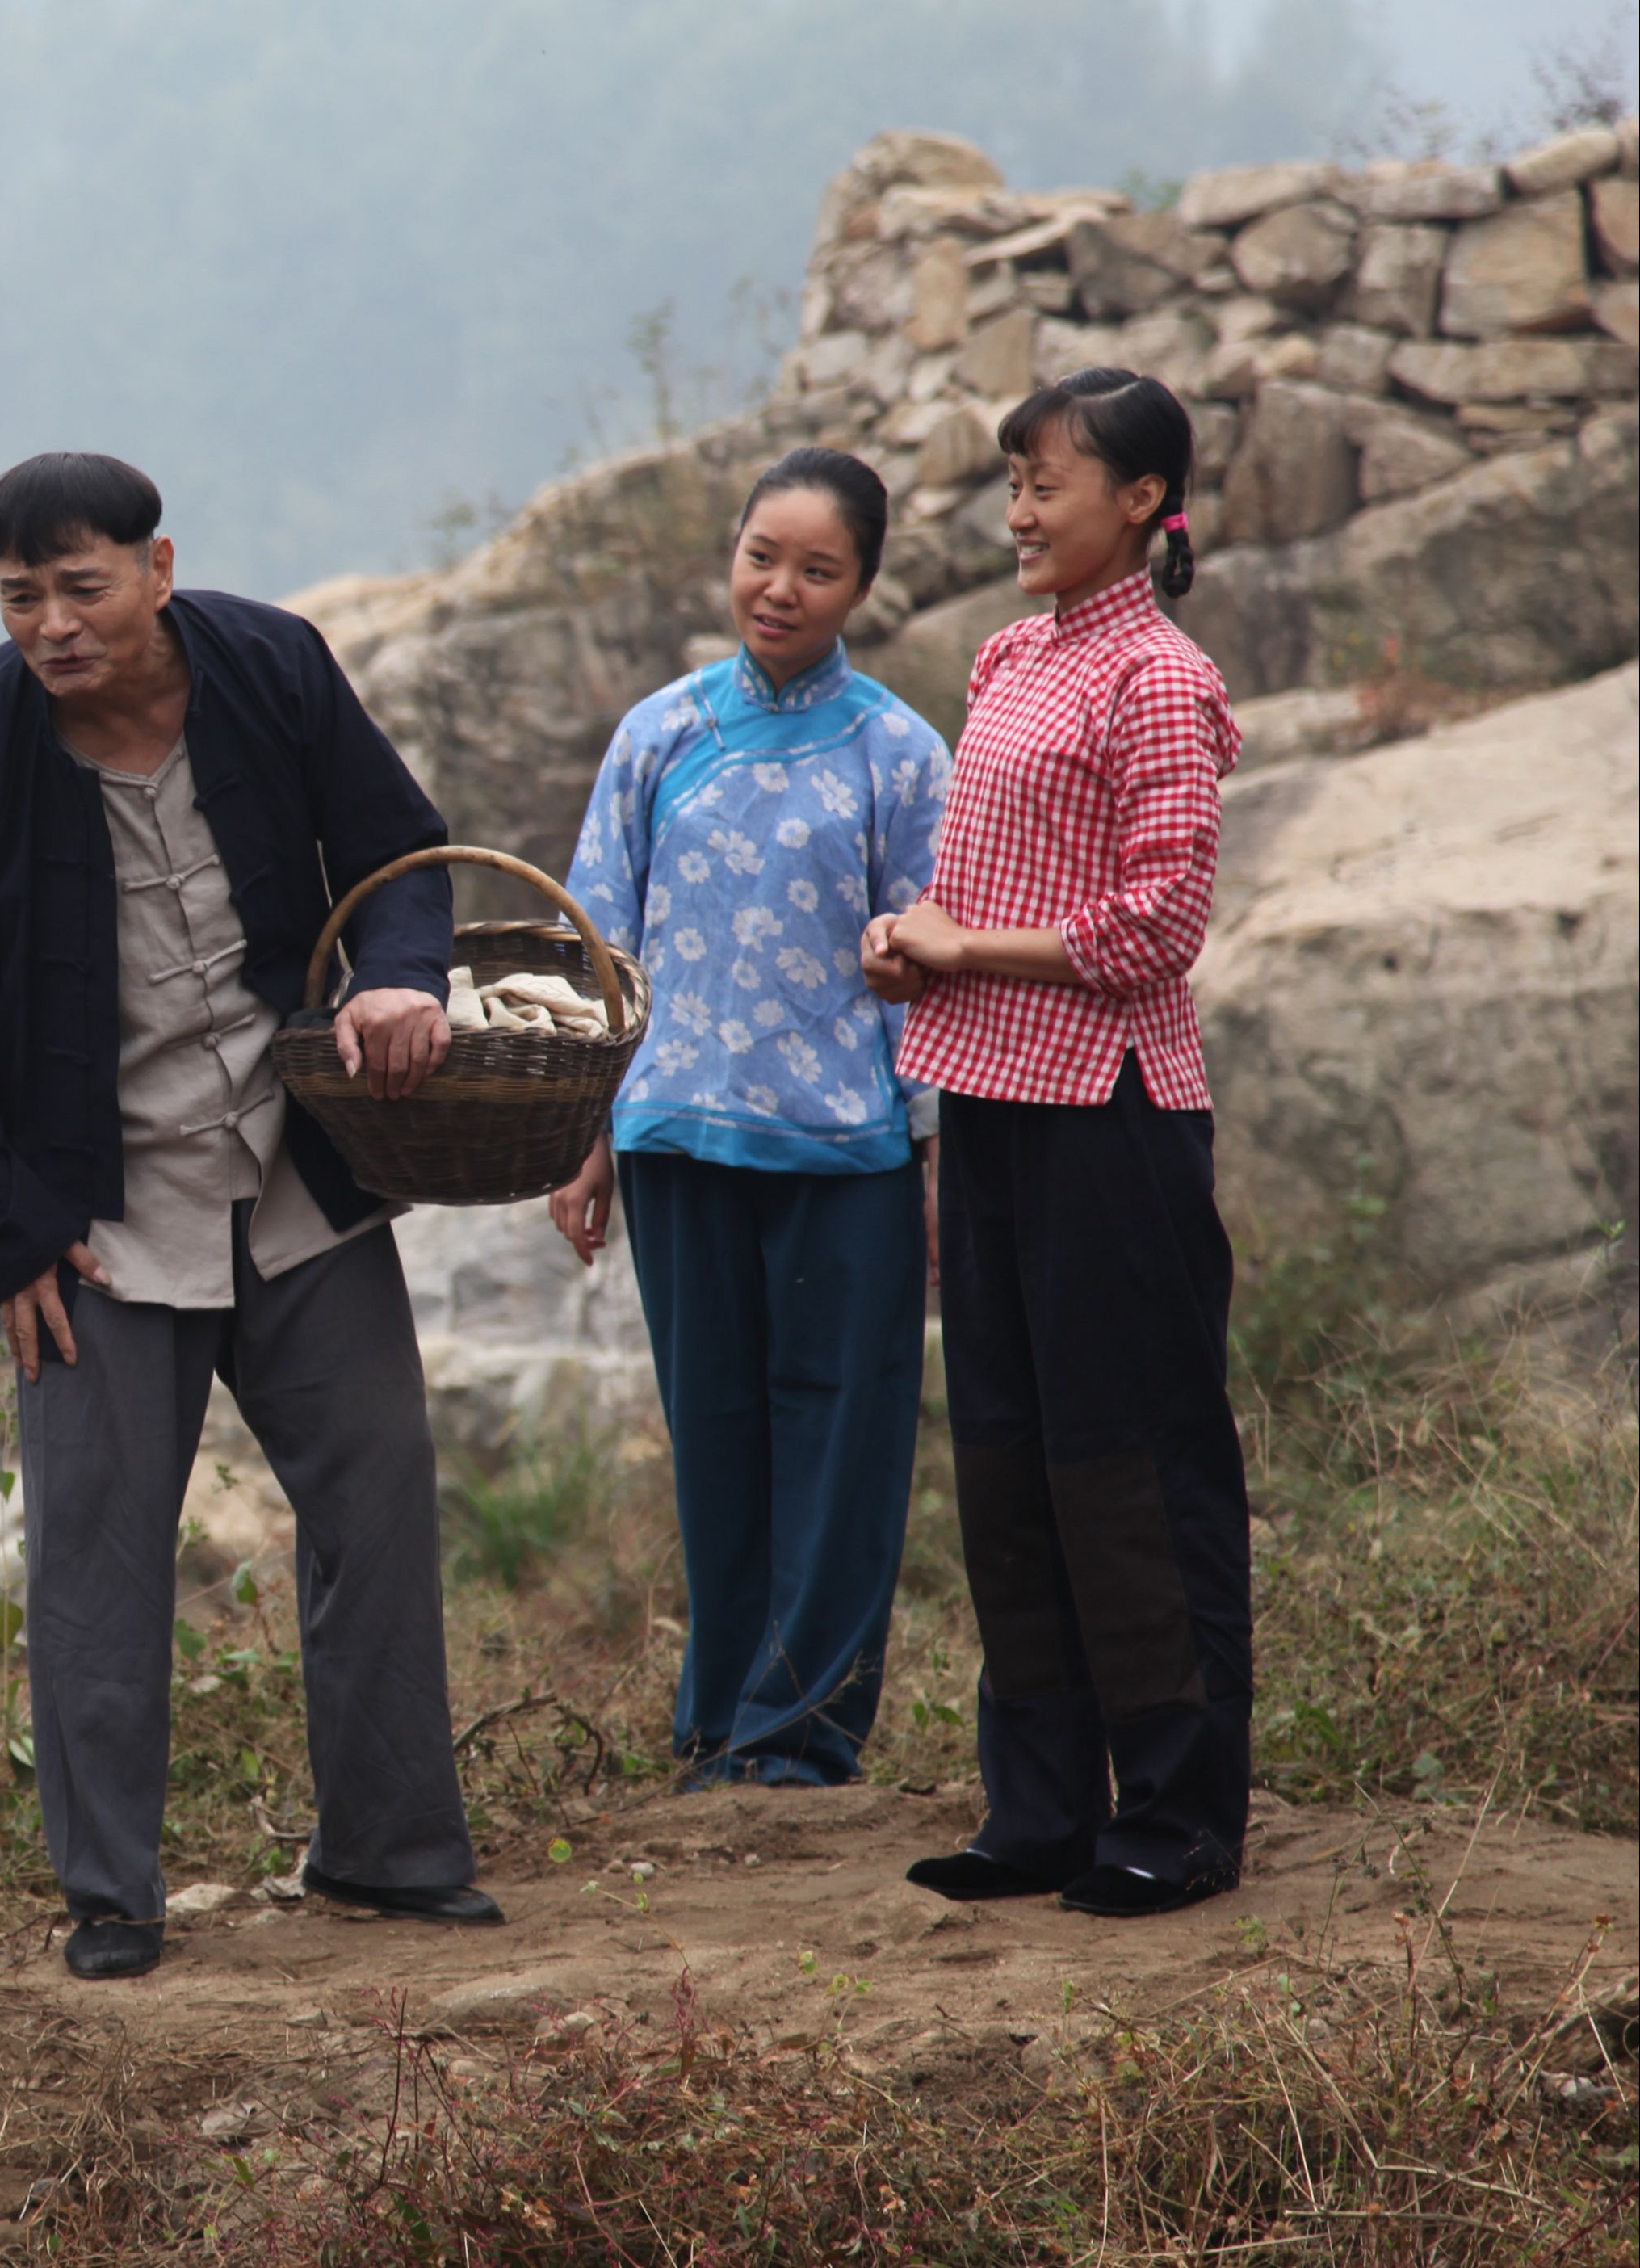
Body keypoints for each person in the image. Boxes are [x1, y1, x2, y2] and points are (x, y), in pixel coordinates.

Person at [0, 450, 497, 1984]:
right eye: (20, 597)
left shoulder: (270, 663)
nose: (52, 625)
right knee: (97, 1562)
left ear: (157, 570)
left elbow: (394, 849)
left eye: (80, 587)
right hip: (99, 1222)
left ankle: (390, 1851)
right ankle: (112, 1895)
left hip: (299, 1177)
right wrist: (3, 1238)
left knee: (373, 1505)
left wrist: (404, 975)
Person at [859, 368, 1250, 1921]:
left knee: (1132, 1469)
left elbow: (1160, 925)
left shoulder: (1158, 678)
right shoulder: (1012, 654)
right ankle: (1036, 1808)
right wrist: (917, 952)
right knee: (1011, 1460)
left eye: (1047, 481)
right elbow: (985, 898)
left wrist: (963, 948)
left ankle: (1173, 1813)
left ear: (1142, 503)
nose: (1018, 509)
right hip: (993, 1103)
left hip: (1112, 1110)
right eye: (1010, 481)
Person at [547, 447, 950, 1791]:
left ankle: (802, 1732)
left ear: (861, 587)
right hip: (674, 1142)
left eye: (816, 569)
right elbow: (595, 951)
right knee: (712, 1428)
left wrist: (935, 1152)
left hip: (848, 1151)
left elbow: (931, 969)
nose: (778, 589)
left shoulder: (896, 753)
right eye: (759, 557)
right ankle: (719, 1717)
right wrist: (582, 1136)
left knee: (841, 1438)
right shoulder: (658, 733)